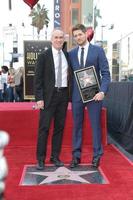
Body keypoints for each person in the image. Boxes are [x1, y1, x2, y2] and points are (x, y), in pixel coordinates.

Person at [69, 24, 111, 168]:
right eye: (75, 36)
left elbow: (106, 74)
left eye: (80, 34)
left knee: (95, 126)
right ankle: (76, 156)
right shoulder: (71, 54)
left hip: (95, 95)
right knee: (77, 126)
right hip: (76, 96)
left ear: (86, 34)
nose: (78, 38)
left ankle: (97, 155)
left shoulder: (98, 51)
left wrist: (102, 92)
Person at [34, 28, 70, 170]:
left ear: (63, 39)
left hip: (63, 96)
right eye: (56, 37)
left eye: (61, 37)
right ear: (51, 39)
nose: (59, 40)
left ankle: (55, 156)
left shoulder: (67, 56)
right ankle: (40, 159)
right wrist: (39, 98)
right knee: (44, 128)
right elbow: (38, 80)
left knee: (59, 128)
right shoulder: (44, 56)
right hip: (48, 97)